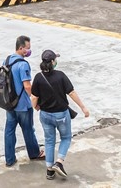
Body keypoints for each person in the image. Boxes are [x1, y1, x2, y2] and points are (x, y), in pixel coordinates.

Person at [30, 50, 89, 180]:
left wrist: (36, 107)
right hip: (61, 114)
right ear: (52, 62)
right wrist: (83, 107)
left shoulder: (38, 77)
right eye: (55, 59)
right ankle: (59, 162)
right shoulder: (60, 76)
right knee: (66, 138)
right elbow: (71, 93)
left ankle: (49, 171)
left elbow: (34, 97)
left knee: (49, 141)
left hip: (45, 115)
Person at [0, 35, 44, 167]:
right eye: (27, 48)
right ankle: (34, 153)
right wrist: (35, 100)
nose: (29, 51)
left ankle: (10, 159)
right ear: (21, 48)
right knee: (28, 130)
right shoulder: (23, 65)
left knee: (9, 130)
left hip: (9, 103)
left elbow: (3, 80)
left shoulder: (7, 60)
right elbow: (27, 86)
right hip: (23, 105)